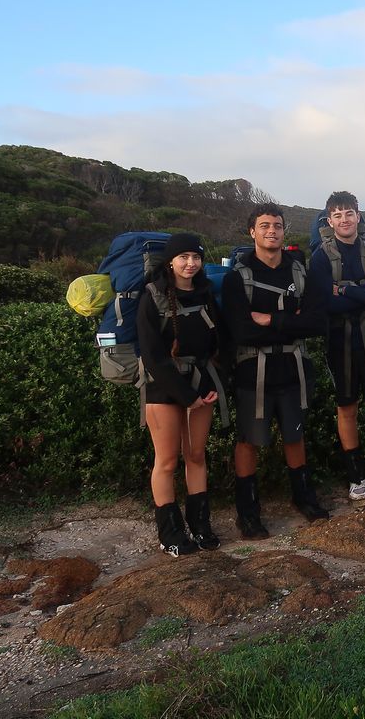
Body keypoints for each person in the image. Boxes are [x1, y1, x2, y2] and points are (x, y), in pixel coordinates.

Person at [222, 204, 331, 539]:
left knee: (295, 434)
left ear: (285, 231)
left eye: (277, 225)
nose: (272, 231)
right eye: (265, 225)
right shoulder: (236, 278)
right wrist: (292, 324)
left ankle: (304, 497)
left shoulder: (300, 273)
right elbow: (241, 332)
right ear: (252, 231)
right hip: (252, 371)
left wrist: (269, 320)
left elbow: (318, 323)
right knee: (248, 440)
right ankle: (247, 512)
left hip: (293, 368)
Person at [137, 233, 230, 557]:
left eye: (196, 257)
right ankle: (170, 533)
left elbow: (220, 342)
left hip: (202, 384)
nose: (191, 263)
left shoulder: (205, 293)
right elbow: (152, 355)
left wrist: (215, 384)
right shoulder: (153, 296)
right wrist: (186, 395)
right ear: (170, 261)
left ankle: (200, 525)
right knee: (166, 461)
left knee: (196, 455)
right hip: (163, 387)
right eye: (183, 257)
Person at [308, 191, 365, 502]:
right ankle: (356, 475)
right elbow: (323, 303)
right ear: (329, 220)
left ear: (358, 217)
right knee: (346, 408)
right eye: (338, 215)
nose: (344, 220)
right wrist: (364, 291)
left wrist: (344, 290)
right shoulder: (321, 258)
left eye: (349, 214)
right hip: (340, 341)